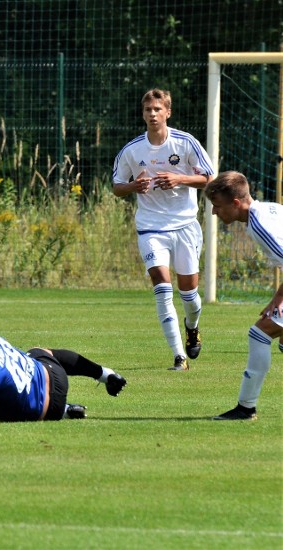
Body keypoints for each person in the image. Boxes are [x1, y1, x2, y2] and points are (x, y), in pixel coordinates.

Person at [113, 88, 214, 371]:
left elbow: (209, 177)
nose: (153, 114)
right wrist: (134, 186)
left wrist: (179, 178)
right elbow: (117, 186)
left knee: (190, 295)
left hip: (184, 225)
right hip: (150, 228)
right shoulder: (132, 150)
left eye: (158, 109)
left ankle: (192, 327)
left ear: (167, 112)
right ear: (143, 114)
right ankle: (179, 357)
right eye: (148, 110)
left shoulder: (185, 143)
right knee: (162, 288)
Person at [204, 171, 283, 421]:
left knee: (260, 333)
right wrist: (277, 300)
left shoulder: (260, 225)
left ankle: (245, 408)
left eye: (218, 206)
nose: (215, 212)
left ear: (236, 204)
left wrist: (278, 300)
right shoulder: (268, 210)